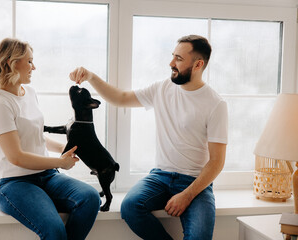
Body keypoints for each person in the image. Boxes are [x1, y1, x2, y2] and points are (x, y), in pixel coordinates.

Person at [69, 35, 228, 240]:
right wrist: (90, 76)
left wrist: (187, 195)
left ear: (198, 64)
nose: (171, 63)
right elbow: (120, 98)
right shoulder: (162, 88)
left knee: (199, 236)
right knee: (130, 208)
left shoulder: (215, 104)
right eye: (173, 56)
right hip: (160, 177)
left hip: (195, 182)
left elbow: (217, 161)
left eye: (178, 59)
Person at [0, 38, 101, 240]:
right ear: (11, 63)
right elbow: (17, 157)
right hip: (15, 183)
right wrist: (60, 163)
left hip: (47, 176)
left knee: (90, 198)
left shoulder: (29, 92)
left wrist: (70, 149)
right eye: (29, 61)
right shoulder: (0, 103)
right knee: (54, 230)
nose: (34, 67)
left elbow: (36, 136)